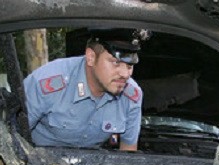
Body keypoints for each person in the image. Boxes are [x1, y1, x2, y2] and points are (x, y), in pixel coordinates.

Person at [23, 28, 151, 151]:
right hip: (37, 164)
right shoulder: (47, 83)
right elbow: (12, 138)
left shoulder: (131, 96)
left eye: (130, 65)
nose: (125, 74)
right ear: (91, 57)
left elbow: (128, 153)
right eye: (115, 63)